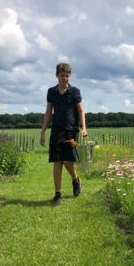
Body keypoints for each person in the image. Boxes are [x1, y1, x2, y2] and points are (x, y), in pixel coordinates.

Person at [40, 62, 87, 204]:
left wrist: (84, 127)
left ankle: (75, 179)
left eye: (67, 76)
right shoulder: (51, 92)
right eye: (62, 75)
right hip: (56, 130)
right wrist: (43, 131)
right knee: (57, 161)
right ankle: (57, 194)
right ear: (57, 76)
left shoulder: (75, 91)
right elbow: (48, 112)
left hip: (71, 130)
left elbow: (80, 111)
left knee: (67, 160)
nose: (65, 78)